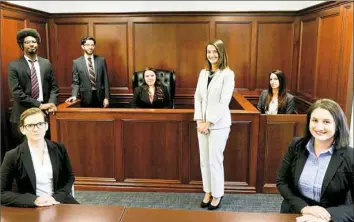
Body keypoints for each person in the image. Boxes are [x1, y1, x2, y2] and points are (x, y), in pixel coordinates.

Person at [276, 99, 353, 222]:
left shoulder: (350, 156)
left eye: (326, 122)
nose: (319, 127)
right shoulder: (296, 145)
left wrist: (328, 215)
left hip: (330, 217)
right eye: (315, 120)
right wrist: (304, 208)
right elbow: (282, 182)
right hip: (296, 212)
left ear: (338, 125)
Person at [1, 108, 79, 208]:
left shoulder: (59, 149)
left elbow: (69, 177)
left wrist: (55, 198)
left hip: (58, 201)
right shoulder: (12, 156)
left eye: (40, 124)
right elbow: (1, 193)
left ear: (46, 126)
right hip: (30, 206)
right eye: (30, 125)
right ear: (22, 129)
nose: (36, 128)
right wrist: (34, 200)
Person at [194, 39, 235, 210]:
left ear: (221, 53)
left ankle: (218, 194)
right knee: (204, 160)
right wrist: (199, 121)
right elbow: (197, 97)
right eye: (209, 52)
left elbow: (224, 101)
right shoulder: (204, 73)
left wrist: (208, 122)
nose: (211, 55)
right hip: (202, 125)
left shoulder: (228, 74)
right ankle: (208, 191)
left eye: (215, 52)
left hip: (218, 125)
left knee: (215, 161)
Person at [8, 28, 59, 149]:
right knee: (26, 152)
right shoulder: (14, 65)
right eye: (27, 42)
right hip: (23, 115)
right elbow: (17, 93)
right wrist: (39, 105)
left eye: (34, 41)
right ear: (22, 45)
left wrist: (51, 104)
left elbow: (54, 87)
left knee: (45, 149)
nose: (32, 44)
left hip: (45, 115)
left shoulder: (46, 63)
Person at [65, 36, 110, 108]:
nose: (90, 47)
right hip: (84, 98)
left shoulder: (101, 60)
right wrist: (74, 95)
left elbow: (105, 81)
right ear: (83, 46)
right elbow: (75, 82)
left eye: (92, 45)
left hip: (100, 97)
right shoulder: (76, 62)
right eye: (88, 45)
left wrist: (107, 98)